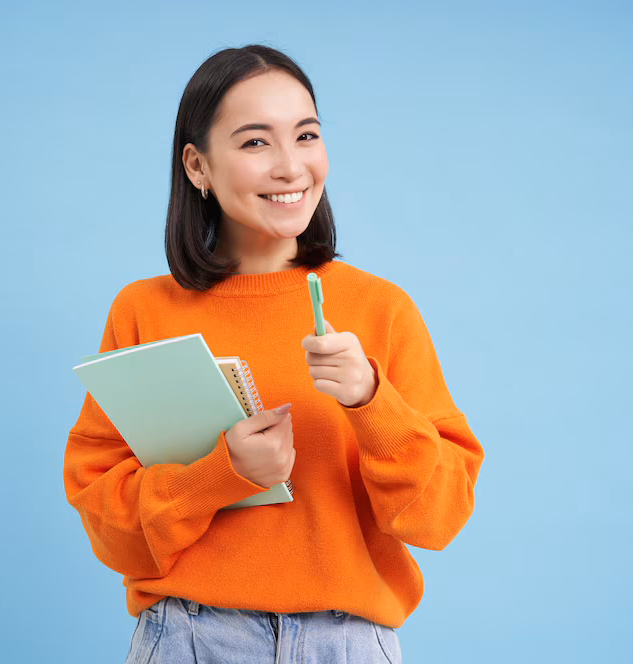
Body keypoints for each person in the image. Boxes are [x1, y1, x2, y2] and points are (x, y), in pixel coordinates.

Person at [63, 44, 485, 664]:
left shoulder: (381, 309)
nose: (291, 167)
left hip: (348, 644)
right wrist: (221, 474)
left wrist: (371, 401)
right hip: (191, 638)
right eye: (256, 142)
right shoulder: (144, 311)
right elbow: (111, 533)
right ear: (198, 166)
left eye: (306, 135)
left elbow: (438, 519)